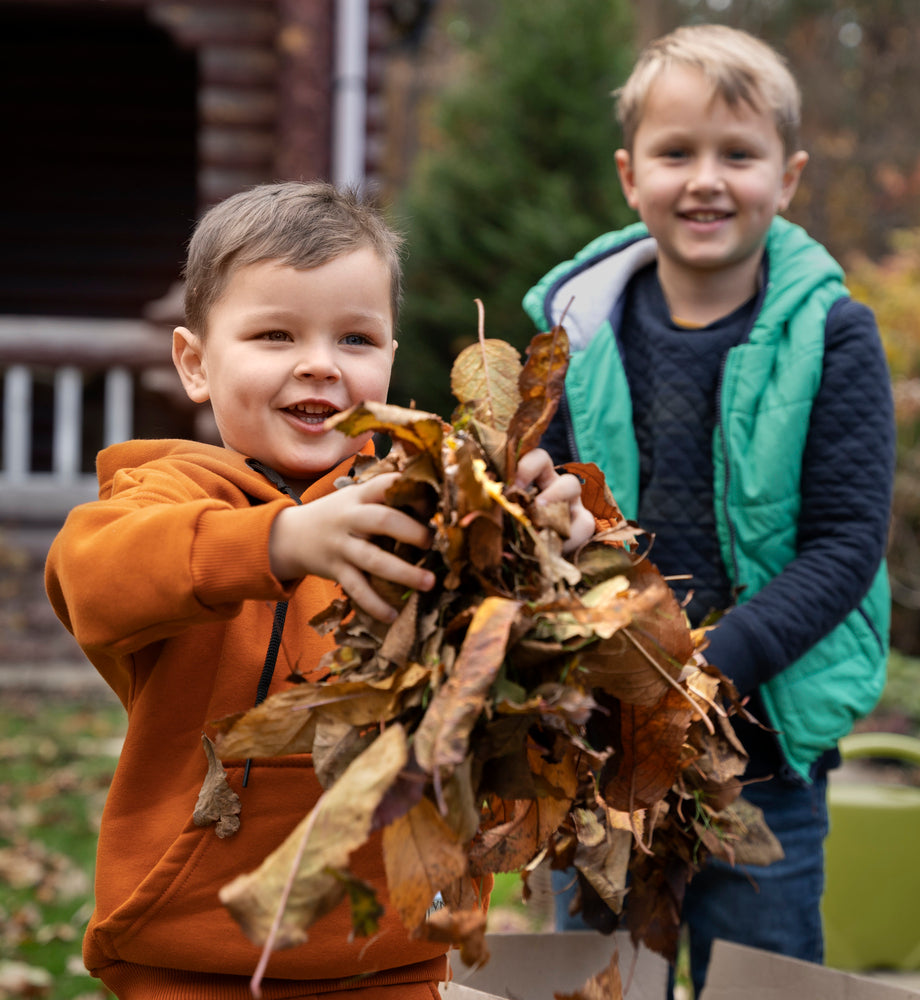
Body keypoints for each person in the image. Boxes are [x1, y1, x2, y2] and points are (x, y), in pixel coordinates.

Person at [45, 181, 594, 999]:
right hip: (193, 958)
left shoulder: (427, 493)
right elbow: (90, 576)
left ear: (390, 358)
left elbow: (538, 627)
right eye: (274, 334)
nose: (318, 362)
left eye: (355, 338)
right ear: (195, 363)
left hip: (394, 955)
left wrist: (554, 531)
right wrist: (280, 540)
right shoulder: (166, 497)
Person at [522, 24, 894, 995]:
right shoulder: (575, 328)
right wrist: (538, 510)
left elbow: (848, 541)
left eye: (739, 153)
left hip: (760, 737)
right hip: (605, 730)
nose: (706, 180)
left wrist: (714, 665)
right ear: (628, 174)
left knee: (758, 977)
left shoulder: (833, 335)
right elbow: (545, 486)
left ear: (790, 174)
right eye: (676, 152)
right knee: (595, 974)